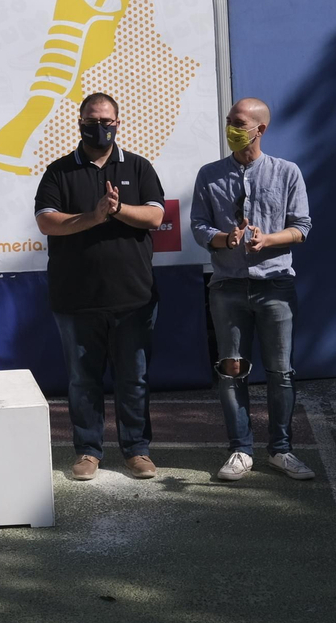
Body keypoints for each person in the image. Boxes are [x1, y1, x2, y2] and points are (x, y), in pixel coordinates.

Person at [35, 93, 166, 480]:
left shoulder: (139, 167)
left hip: (134, 297)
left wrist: (118, 210)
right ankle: (88, 451)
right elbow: (47, 221)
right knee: (82, 380)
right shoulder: (59, 172)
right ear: (79, 122)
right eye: (93, 120)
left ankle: (137, 450)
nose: (100, 127)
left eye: (107, 120)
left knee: (134, 378)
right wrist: (93, 217)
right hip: (75, 298)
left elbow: (155, 216)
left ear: (118, 123)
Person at [190, 97, 315, 482]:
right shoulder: (209, 174)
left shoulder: (287, 172)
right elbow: (198, 226)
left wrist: (269, 240)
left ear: (260, 129)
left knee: (281, 373)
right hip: (226, 286)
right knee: (231, 371)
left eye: (239, 122)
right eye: (229, 121)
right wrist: (226, 239)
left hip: (275, 286)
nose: (231, 127)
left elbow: (303, 226)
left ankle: (281, 450)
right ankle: (240, 450)